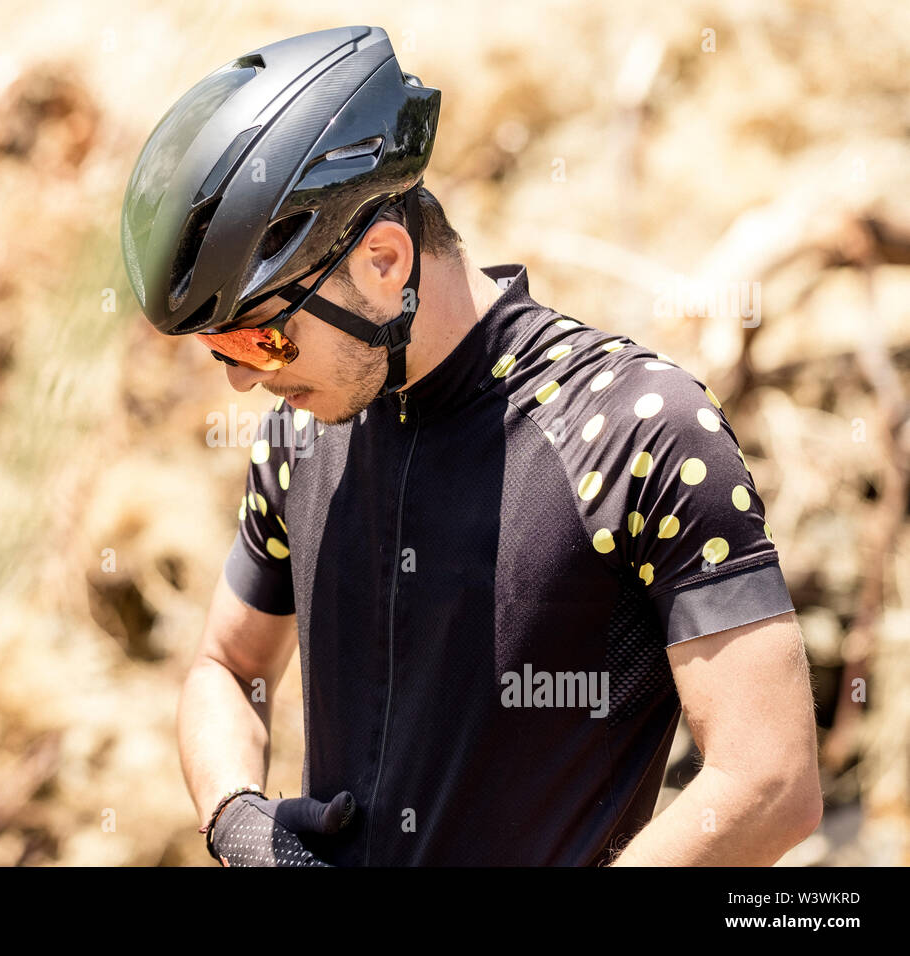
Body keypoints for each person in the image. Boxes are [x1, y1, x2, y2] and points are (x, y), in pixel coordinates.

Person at [121, 25, 822, 866]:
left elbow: (770, 779)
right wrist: (236, 816)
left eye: (259, 341)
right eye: (220, 352)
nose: (241, 382)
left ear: (383, 261)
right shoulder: (299, 437)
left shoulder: (640, 427)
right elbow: (227, 665)